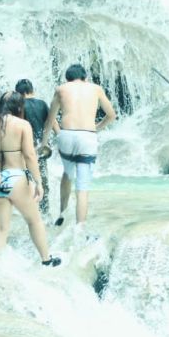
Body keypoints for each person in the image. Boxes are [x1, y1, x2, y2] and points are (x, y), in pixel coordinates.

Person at [0, 91, 60, 266]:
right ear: (19, 107)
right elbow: (29, 155)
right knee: (34, 220)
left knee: (0, 229)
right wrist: (38, 182)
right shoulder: (22, 125)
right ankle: (46, 259)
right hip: (16, 178)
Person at [42, 64, 117, 226]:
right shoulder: (95, 89)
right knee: (82, 186)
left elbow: (50, 119)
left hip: (66, 135)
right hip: (87, 137)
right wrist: (96, 128)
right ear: (85, 77)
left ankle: (62, 212)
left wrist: (43, 142)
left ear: (67, 78)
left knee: (67, 173)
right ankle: (80, 228)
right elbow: (111, 115)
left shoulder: (61, 89)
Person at [15, 78, 51, 217]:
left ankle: (29, 213)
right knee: (41, 181)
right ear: (32, 90)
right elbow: (51, 123)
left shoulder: (18, 106)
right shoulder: (42, 104)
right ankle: (45, 213)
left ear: (18, 93)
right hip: (40, 150)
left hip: (23, 149)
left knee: (26, 181)